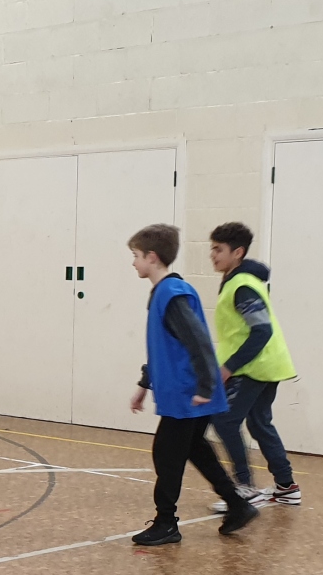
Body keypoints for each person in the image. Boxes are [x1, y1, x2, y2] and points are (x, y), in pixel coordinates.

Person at [126, 224, 260, 545]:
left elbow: (198, 342)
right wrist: (144, 384)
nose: (133, 262)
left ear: (152, 257)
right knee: (196, 450)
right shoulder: (164, 293)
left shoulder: (172, 294)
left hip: (190, 394)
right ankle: (238, 505)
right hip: (188, 392)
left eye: (136, 256)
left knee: (166, 455)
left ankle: (166, 523)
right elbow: (163, 348)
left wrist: (204, 386)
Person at [205, 222, 301, 511]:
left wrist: (229, 367)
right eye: (211, 248)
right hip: (267, 364)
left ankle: (245, 487)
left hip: (253, 366)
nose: (212, 255)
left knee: (224, 420)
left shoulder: (242, 286)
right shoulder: (239, 279)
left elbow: (261, 330)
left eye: (218, 249)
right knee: (259, 423)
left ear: (238, 252)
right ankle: (286, 486)